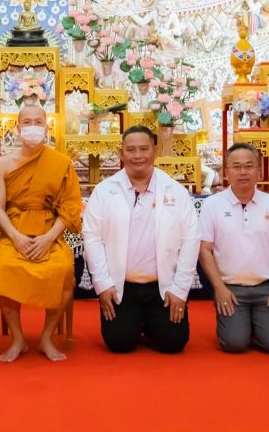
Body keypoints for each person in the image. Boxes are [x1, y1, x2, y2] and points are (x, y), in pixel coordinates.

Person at [82, 126, 199, 354]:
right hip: (122, 286)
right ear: (121, 153)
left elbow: (191, 239)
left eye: (144, 149)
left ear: (155, 150)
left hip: (163, 286)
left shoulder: (175, 191)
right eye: (131, 150)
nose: (138, 156)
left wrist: (180, 289)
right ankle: (137, 324)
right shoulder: (104, 191)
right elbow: (92, 237)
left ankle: (150, 325)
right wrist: (103, 284)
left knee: (173, 343)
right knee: (119, 342)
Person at [0, 104, 83, 362]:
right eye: (27, 122)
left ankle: (46, 337)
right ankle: (18, 339)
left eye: (38, 122)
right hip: (14, 234)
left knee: (63, 270)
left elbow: (71, 207)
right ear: (17, 128)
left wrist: (48, 239)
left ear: (47, 127)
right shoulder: (1, 164)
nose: (33, 127)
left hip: (50, 234)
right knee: (1, 270)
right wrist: (16, 237)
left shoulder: (61, 163)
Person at [199, 143, 269, 353]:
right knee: (234, 344)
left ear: (259, 170)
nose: (243, 172)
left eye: (249, 166)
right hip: (230, 288)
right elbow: (205, 250)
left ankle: (255, 326)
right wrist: (219, 288)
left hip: (267, 287)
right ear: (226, 172)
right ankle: (241, 326)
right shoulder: (212, 205)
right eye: (236, 167)